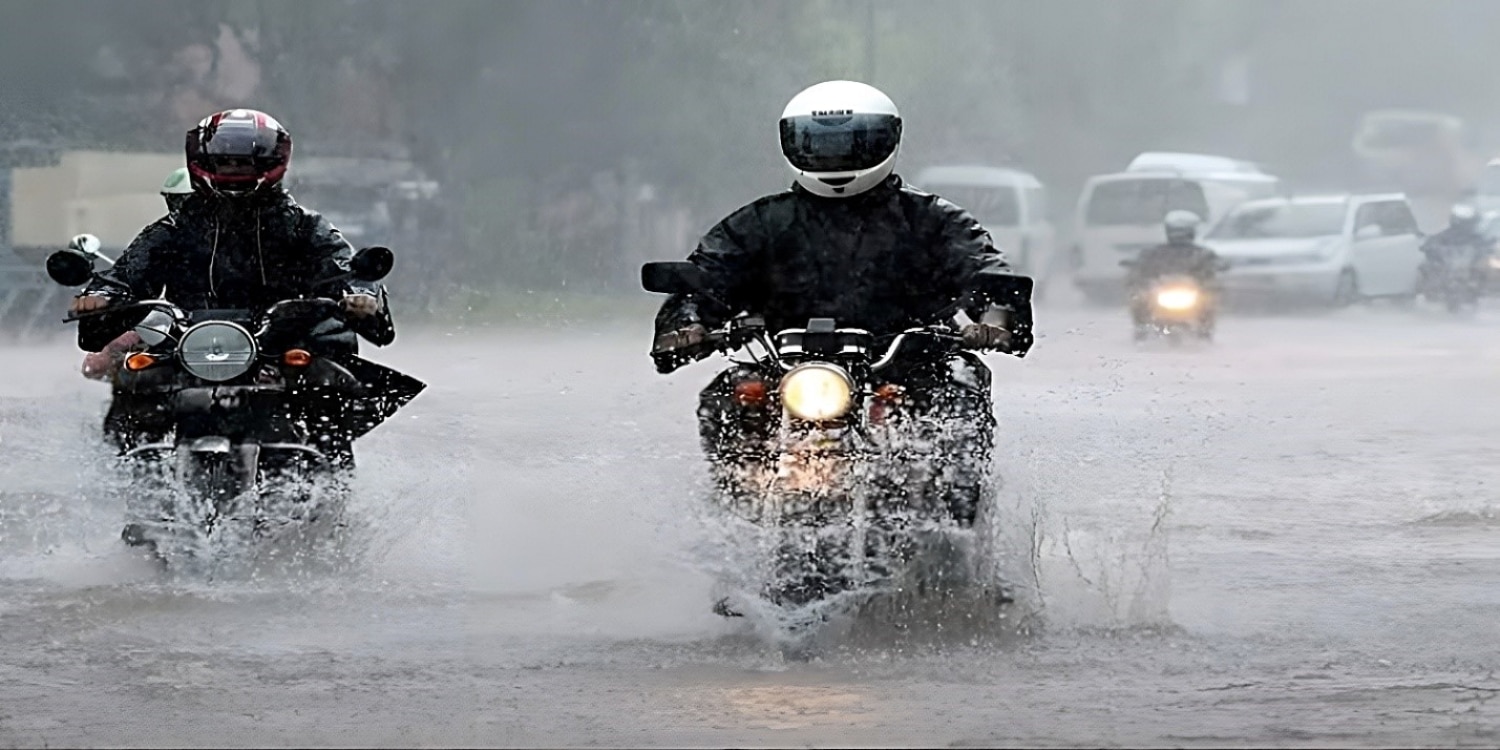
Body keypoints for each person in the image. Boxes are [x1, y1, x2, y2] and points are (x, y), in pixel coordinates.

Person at [649, 80, 1032, 525]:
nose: (836, 156)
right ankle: (739, 513)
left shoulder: (933, 220)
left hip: (906, 363)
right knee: (728, 396)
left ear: (886, 139)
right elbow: (705, 277)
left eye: (853, 143)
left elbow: (986, 271)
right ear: (792, 143)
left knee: (960, 389)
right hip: (786, 367)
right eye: (821, 144)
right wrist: (688, 322)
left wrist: (995, 317)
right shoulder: (759, 223)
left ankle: (954, 533)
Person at [68, 109, 396, 463]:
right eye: (224, 162)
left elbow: (345, 269)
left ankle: (326, 480)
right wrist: (102, 296)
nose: (234, 171)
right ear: (202, 160)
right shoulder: (173, 229)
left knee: (328, 380)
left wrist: (360, 295)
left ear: (272, 162)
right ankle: (136, 479)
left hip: (280, 341)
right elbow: (127, 273)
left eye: (245, 163)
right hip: (191, 343)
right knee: (136, 379)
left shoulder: (304, 227)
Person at [1125, 210, 1221, 331]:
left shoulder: (1203, 254)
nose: (1179, 235)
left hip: (1192, 291)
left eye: (1183, 231)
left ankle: (1204, 330)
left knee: (1208, 301)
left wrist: (1214, 271)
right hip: (1160, 290)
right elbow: (1140, 265)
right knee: (1140, 299)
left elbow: (1217, 265)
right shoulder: (1154, 253)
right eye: (1176, 231)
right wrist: (1138, 269)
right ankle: (1142, 329)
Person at [1419, 203, 1491, 294]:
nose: (1463, 226)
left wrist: (1486, 251)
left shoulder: (1476, 238)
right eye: (1462, 221)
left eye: (1467, 222)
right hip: (1446, 269)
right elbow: (1429, 245)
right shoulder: (1443, 236)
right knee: (1425, 268)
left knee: (1484, 270)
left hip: (1468, 269)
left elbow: (1485, 247)